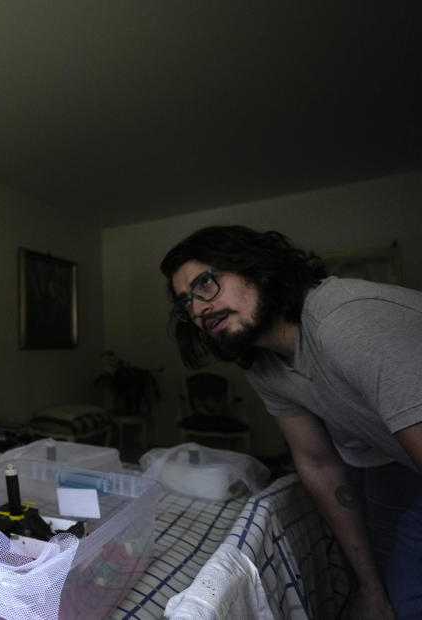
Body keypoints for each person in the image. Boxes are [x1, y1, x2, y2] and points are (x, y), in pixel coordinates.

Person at [160, 225, 422, 619]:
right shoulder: (264, 364)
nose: (198, 310)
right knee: (382, 589)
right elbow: (317, 462)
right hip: (390, 460)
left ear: (258, 269)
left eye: (206, 284)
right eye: (186, 303)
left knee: (407, 594)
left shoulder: (343, 321)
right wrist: (369, 589)